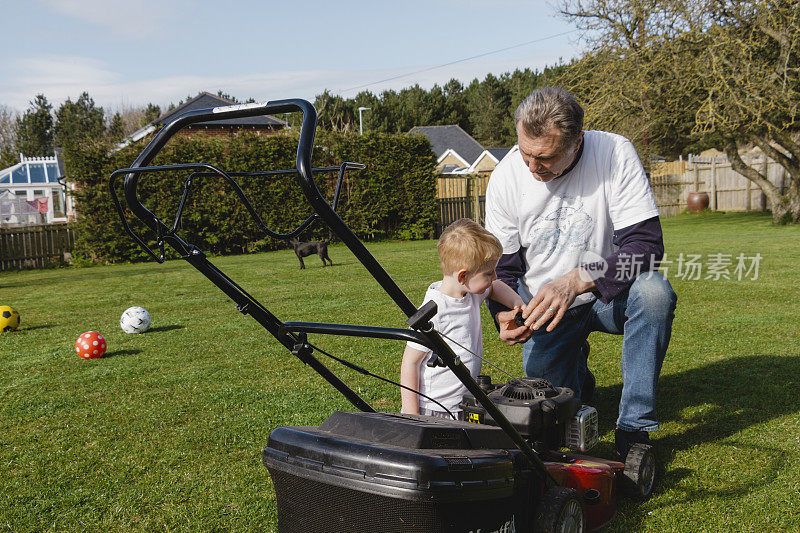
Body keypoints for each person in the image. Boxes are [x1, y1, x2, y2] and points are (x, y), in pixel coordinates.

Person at [484, 87, 677, 459]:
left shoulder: (614, 153)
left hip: (610, 297)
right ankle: (579, 376)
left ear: (577, 143)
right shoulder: (506, 178)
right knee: (549, 413)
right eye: (525, 153)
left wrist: (576, 280)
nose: (533, 167)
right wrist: (502, 314)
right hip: (545, 308)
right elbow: (503, 269)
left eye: (546, 157)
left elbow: (647, 247)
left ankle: (634, 427)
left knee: (654, 293)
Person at [401, 218, 525, 419]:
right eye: (489, 273)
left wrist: (517, 303)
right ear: (462, 276)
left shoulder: (472, 292)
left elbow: (495, 287)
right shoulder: (435, 310)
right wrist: (411, 415)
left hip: (465, 402)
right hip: (435, 409)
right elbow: (410, 363)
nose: (494, 277)